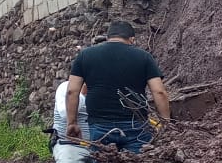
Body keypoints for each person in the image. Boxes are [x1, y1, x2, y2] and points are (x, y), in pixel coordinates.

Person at [66, 21, 171, 154]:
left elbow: (71, 91)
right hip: (135, 126)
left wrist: (72, 123)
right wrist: (165, 124)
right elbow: (159, 92)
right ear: (132, 39)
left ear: (108, 37)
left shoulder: (85, 55)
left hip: (100, 126)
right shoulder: (144, 57)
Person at [47, 79, 94, 163]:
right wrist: (81, 94)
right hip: (68, 143)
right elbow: (65, 113)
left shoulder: (102, 89)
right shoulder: (66, 87)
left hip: (97, 147)